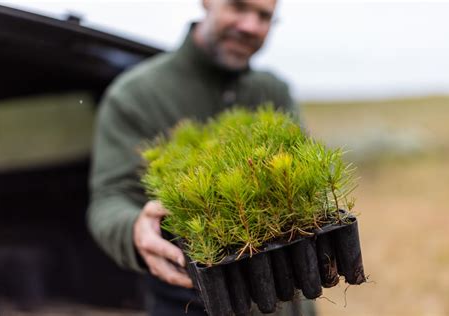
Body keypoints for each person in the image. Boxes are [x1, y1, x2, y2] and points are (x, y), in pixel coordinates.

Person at [87, 0, 315, 315]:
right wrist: (133, 228)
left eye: (264, 16)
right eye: (238, 6)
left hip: (285, 299)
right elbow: (110, 198)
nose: (250, 26)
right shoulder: (135, 95)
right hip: (184, 299)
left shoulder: (272, 91)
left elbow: (304, 178)